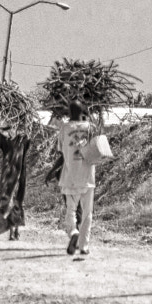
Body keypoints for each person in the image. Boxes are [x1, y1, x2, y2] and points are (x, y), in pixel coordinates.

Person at [49, 103, 104, 257]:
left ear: (69, 111)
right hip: (88, 176)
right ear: (84, 111)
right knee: (87, 213)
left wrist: (53, 170)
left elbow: (61, 152)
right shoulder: (91, 127)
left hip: (70, 176)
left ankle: (73, 231)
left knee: (71, 210)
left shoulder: (65, 128)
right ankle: (84, 246)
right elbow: (100, 144)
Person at [0, 115, 31, 240]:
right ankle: (13, 231)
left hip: (14, 177)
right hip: (12, 177)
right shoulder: (8, 141)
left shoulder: (21, 140)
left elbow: (29, 129)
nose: (9, 131)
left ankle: (15, 231)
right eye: (8, 129)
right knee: (12, 202)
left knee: (15, 202)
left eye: (10, 129)